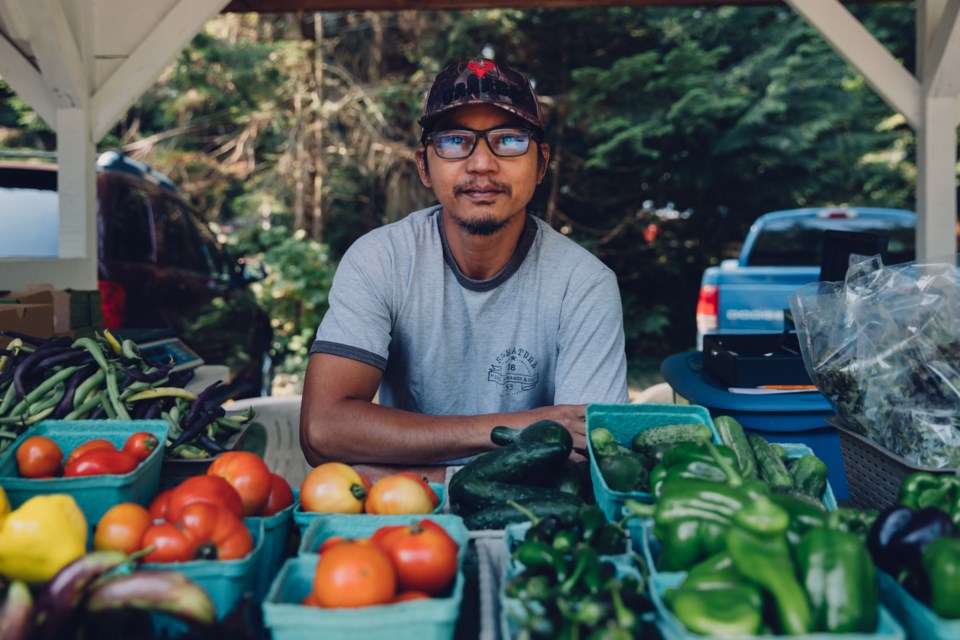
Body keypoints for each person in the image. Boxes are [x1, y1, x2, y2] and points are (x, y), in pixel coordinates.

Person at [299, 58, 629, 480]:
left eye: (508, 140)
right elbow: (322, 431)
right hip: (405, 526)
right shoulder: (381, 260)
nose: (481, 165)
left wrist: (416, 478)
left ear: (541, 164)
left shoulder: (584, 284)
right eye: (455, 141)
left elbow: (588, 454)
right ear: (423, 165)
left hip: (525, 524)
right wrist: (525, 427)